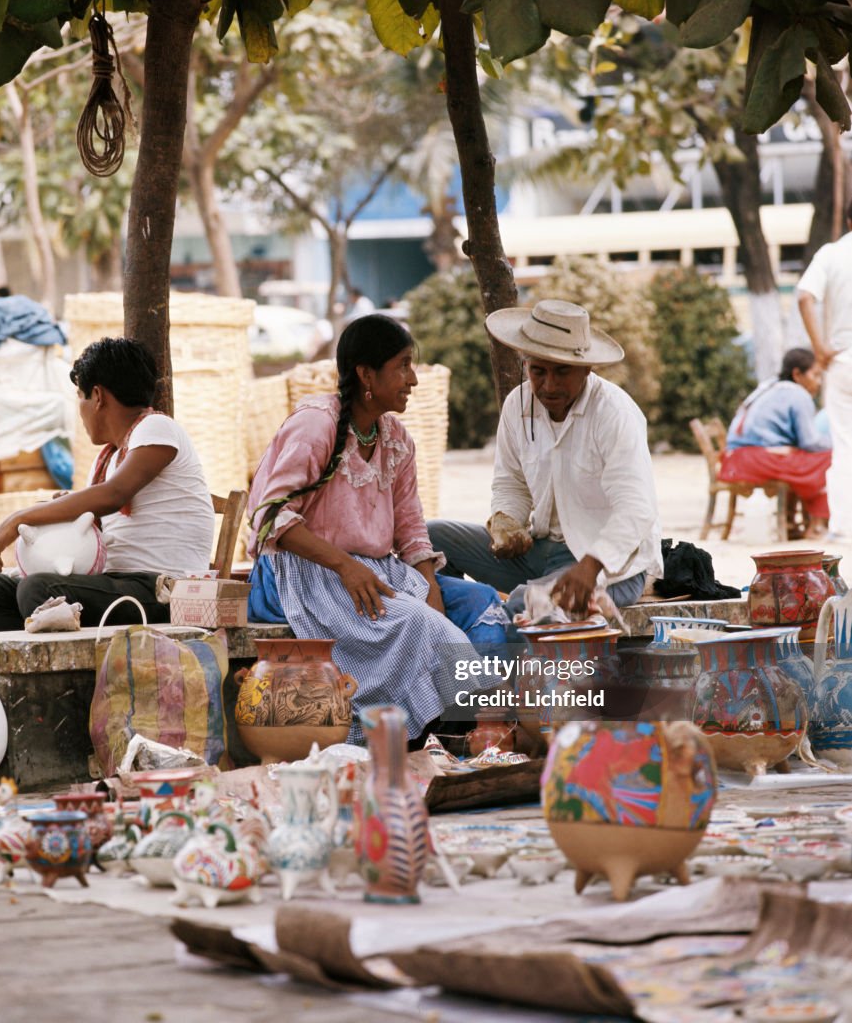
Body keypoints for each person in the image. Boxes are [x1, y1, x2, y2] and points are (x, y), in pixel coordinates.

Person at [246, 314, 505, 743]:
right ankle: (411, 737)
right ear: (366, 374)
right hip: (305, 574)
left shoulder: (396, 437)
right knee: (426, 627)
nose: (413, 379)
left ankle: (467, 729)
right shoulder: (316, 425)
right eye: (403, 365)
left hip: (375, 573)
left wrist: (431, 588)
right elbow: (271, 518)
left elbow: (410, 525)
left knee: (478, 604)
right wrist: (347, 567)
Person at [428, 299, 662, 620]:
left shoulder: (614, 413)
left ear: (587, 368)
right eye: (538, 371)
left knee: (525, 604)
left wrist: (590, 566)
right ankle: (453, 632)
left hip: (607, 566)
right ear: (526, 365)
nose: (549, 385)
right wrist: (507, 523)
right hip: (540, 552)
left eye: (562, 372)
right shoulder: (517, 405)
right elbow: (511, 482)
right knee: (431, 540)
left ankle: (496, 659)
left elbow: (637, 508)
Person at [0, 337, 215, 632]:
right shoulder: (107, 459)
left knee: (39, 589)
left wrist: (17, 519)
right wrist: (68, 513)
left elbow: (113, 495)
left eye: (80, 396)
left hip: (162, 589)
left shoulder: (157, 427)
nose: (79, 410)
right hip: (115, 584)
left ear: (98, 396)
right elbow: (101, 516)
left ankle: (54, 671)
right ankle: (35, 669)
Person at [718, 347, 832, 540]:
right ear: (797, 374)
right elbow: (810, 442)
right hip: (756, 460)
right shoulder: (798, 394)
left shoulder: (769, 385)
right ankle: (818, 524)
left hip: (735, 459)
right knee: (827, 459)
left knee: (797, 458)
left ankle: (790, 521)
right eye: (815, 375)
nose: (819, 382)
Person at [797, 203, 852, 540]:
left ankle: (844, 524)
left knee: (845, 444)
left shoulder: (832, 254)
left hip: (843, 361)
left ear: (848, 220)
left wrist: (819, 348)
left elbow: (805, 297)